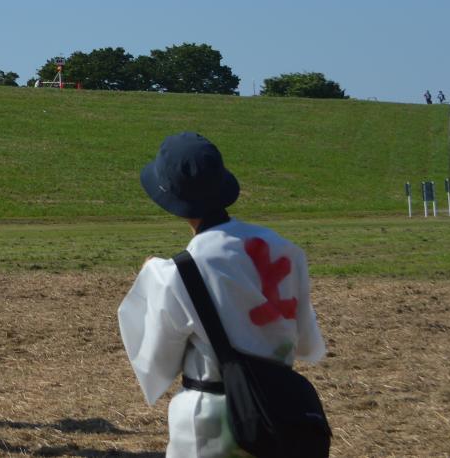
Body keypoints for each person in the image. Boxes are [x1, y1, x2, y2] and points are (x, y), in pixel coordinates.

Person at [119, 133, 326, 458]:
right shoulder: (286, 249)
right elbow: (306, 344)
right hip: (281, 412)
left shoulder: (174, 273)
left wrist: (149, 279)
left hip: (209, 420)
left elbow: (157, 362)